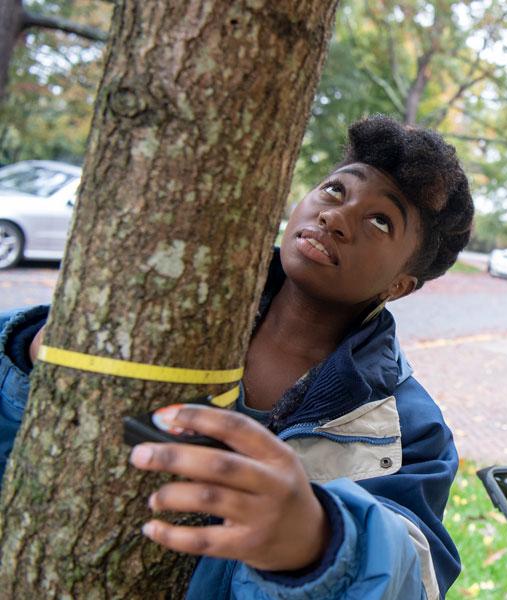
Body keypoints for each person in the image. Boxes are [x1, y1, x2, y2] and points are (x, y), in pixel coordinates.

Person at [0, 115, 474, 599]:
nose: (336, 217)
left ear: (400, 285)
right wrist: (27, 361)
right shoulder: (169, 300)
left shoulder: (414, 431)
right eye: (334, 191)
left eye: (380, 221)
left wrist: (321, 544)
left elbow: (415, 578)